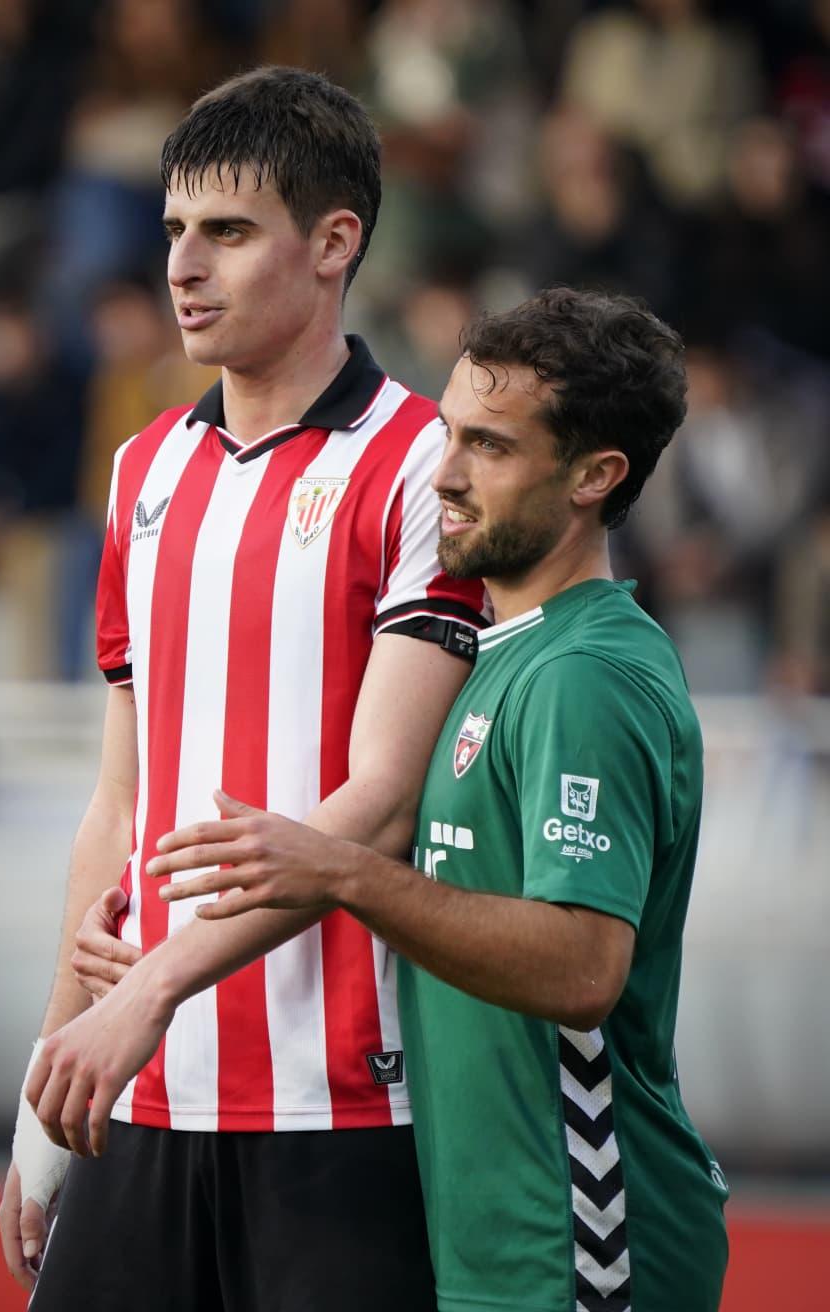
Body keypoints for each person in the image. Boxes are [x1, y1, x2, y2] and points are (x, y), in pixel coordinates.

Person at [73, 288, 731, 1311]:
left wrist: (340, 868)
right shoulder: (500, 658)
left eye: (490, 447)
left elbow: (584, 965)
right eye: (449, 432)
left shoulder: (585, 675)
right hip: (489, 1241)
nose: (446, 473)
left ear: (596, 476)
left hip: (590, 1238)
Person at [0, 66, 488, 1311]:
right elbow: (120, 808)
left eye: (226, 232)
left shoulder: (422, 461)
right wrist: (46, 1090)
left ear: (336, 244)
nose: (182, 267)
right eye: (173, 231)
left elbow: (375, 805)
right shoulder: (143, 466)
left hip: (344, 1107)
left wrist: (151, 993)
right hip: (143, 1088)